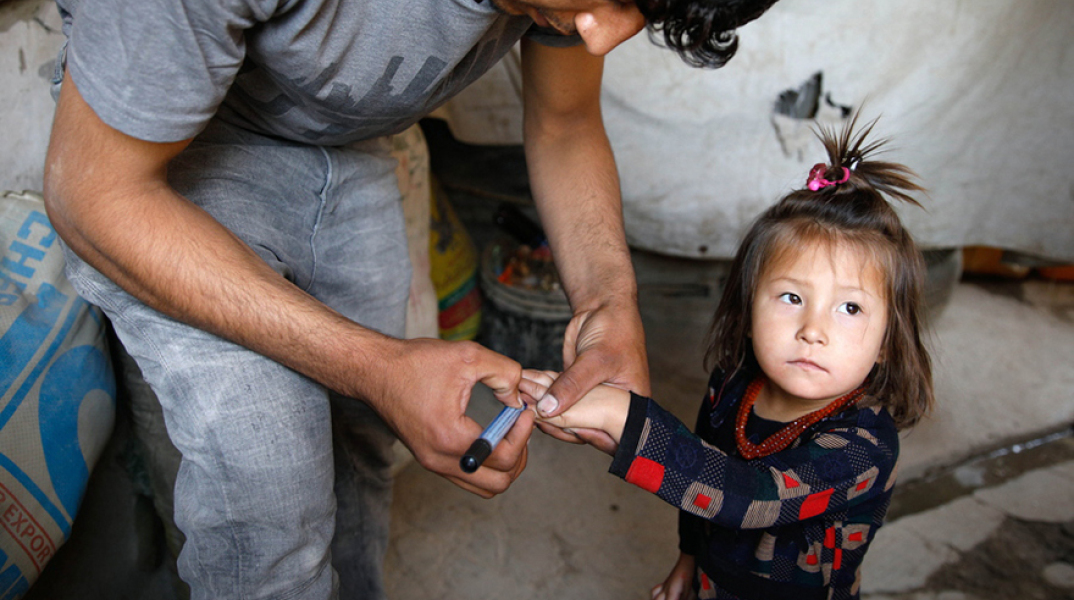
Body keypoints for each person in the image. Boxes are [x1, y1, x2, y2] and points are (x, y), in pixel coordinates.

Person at [41, 0, 782, 597]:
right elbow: (91, 194)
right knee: (270, 504)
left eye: (642, 9)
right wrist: (379, 366)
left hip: (345, 148)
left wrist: (609, 300)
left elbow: (563, 122)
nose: (607, 32)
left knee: (364, 443)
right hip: (162, 175)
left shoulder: (581, 8)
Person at [527, 113, 934, 600]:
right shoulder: (733, 383)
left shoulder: (864, 445)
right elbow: (705, 476)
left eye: (849, 308)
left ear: (889, 339)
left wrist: (627, 420)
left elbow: (750, 496)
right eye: (791, 297)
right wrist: (689, 558)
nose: (813, 331)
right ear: (748, 303)